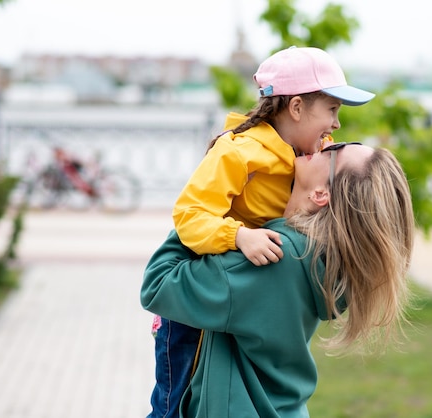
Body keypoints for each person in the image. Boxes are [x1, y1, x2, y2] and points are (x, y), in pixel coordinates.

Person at [147, 46, 375, 417]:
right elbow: (189, 214)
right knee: (171, 403)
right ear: (297, 108)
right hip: (194, 302)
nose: (336, 125)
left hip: (241, 291)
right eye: (332, 110)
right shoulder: (238, 153)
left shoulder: (311, 156)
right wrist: (237, 236)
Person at [141, 142, 415, 417]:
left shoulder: (275, 257)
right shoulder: (324, 262)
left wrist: (207, 214)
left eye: (334, 151)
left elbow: (158, 284)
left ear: (321, 193)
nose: (325, 143)